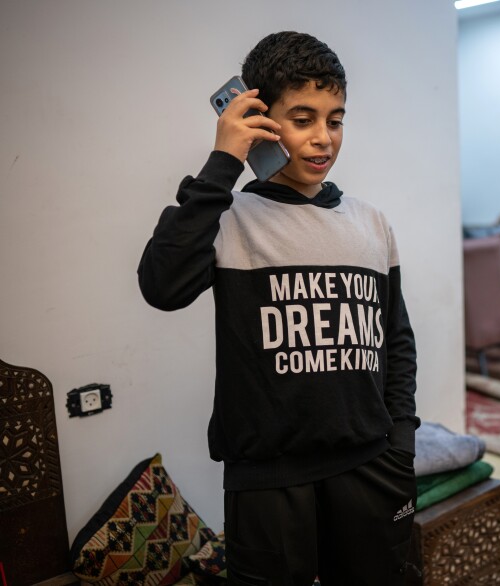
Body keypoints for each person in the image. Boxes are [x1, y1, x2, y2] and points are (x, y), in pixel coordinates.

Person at [137, 31, 419, 585]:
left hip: (371, 469)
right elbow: (161, 286)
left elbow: (397, 343)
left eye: (334, 120)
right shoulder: (227, 215)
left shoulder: (371, 223)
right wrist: (224, 161)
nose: (323, 139)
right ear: (261, 120)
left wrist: (401, 447)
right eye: (302, 118)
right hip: (268, 480)